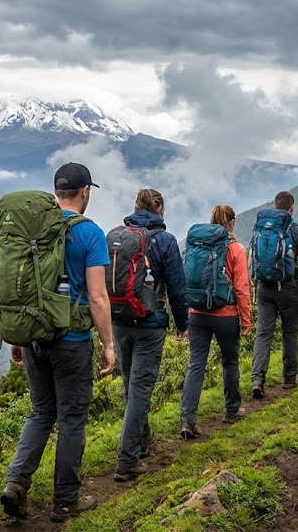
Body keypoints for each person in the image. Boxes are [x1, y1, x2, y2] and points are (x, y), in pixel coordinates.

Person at [0, 162, 116, 523]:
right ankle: (65, 501)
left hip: (34, 337)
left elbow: (19, 287)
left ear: (55, 192)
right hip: (73, 340)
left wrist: (16, 339)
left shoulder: (35, 229)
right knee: (71, 420)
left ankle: (15, 483)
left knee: (40, 412)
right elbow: (97, 297)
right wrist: (109, 345)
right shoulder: (89, 233)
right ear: (85, 192)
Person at [112, 189, 189, 482]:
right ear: (160, 209)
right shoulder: (165, 241)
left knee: (131, 385)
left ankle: (141, 443)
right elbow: (177, 289)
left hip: (118, 321)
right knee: (141, 389)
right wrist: (182, 324)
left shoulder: (120, 236)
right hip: (150, 323)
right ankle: (126, 461)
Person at [180, 205, 251, 439]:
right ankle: (232, 410)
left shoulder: (197, 245)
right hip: (226, 314)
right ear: (232, 222)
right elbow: (241, 288)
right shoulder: (236, 249)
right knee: (230, 361)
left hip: (197, 313)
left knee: (195, 365)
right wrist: (246, 319)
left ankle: (187, 419)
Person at [250, 191, 298, 397]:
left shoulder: (261, 227)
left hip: (264, 288)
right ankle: (289, 379)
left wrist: (254, 288)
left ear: (274, 205)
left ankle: (258, 379)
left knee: (263, 334)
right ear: (291, 208)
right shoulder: (296, 230)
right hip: (287, 287)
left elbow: (253, 259)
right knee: (289, 333)